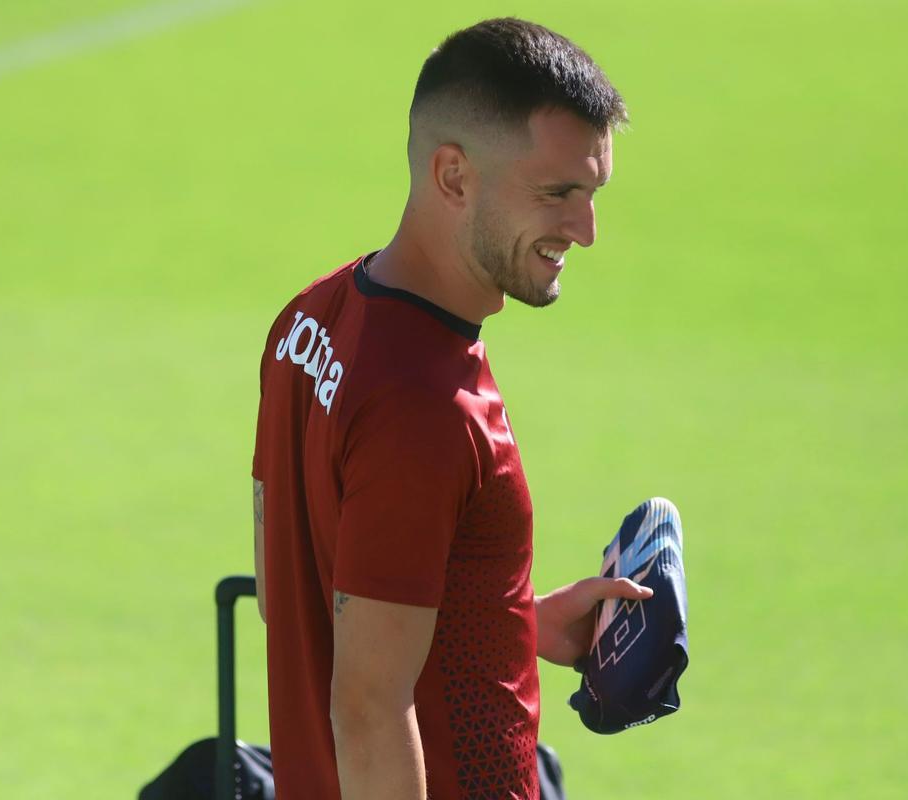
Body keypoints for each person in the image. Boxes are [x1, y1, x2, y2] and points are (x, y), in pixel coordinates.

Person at [251, 17, 648, 800]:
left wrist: (504, 622)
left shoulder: (309, 319)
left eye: (593, 193)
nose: (586, 230)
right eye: (558, 193)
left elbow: (289, 590)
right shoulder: (426, 407)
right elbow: (368, 707)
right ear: (454, 176)